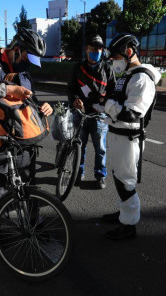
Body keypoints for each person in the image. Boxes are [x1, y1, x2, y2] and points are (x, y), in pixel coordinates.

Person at [0, 28, 53, 213]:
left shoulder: (24, 73)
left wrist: (44, 108)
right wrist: (9, 90)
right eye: (27, 58)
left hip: (23, 139)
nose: (28, 65)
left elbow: (30, 102)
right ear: (16, 49)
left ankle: (35, 226)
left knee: (29, 185)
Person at [101, 33, 160, 239]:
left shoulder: (142, 78)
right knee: (118, 177)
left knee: (126, 182)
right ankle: (124, 213)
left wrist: (107, 104)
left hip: (128, 137)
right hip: (118, 134)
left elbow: (132, 113)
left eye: (116, 57)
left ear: (128, 52)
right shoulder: (129, 75)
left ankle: (129, 225)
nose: (113, 61)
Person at [67, 34, 116, 189]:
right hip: (80, 113)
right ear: (86, 50)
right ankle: (78, 173)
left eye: (100, 49)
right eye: (94, 48)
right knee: (79, 146)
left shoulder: (107, 69)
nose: (97, 51)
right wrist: (75, 99)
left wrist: (103, 100)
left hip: (99, 114)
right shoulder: (78, 68)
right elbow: (71, 89)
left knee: (100, 148)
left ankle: (100, 175)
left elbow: (113, 91)